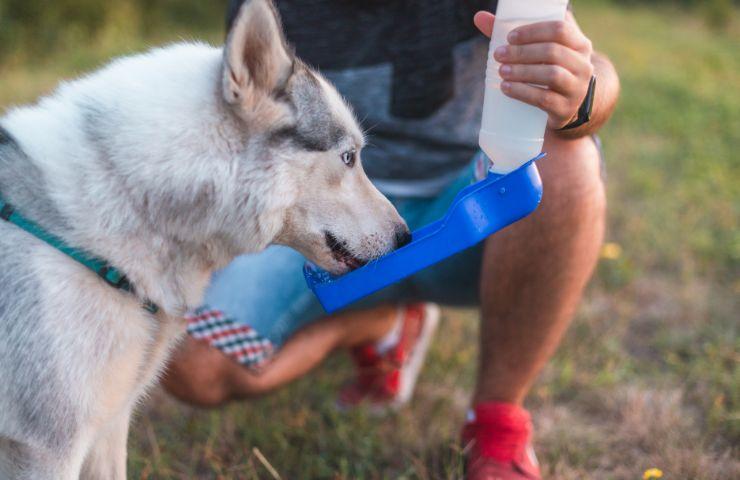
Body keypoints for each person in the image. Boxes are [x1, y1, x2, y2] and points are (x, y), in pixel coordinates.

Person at [163, 1, 620, 478]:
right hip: (330, 219)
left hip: (470, 201)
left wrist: (582, 91)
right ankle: (380, 327)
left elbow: (598, 71)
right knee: (192, 364)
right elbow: (245, 120)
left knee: (565, 163)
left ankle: (496, 420)